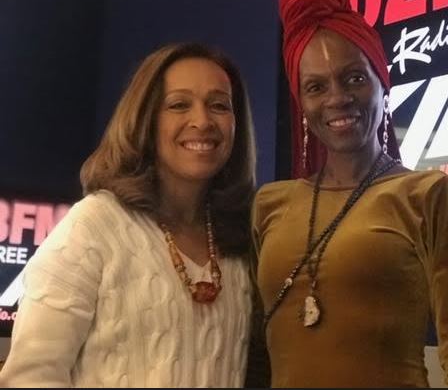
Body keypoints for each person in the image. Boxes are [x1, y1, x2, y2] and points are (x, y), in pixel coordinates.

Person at [251, 0, 448, 388]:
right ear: (301, 103)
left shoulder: (426, 195)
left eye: (354, 78)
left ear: (383, 84)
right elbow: (255, 350)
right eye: (315, 87)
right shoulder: (269, 204)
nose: (337, 98)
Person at [0, 42, 258, 387]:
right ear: (145, 120)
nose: (202, 120)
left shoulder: (243, 240)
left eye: (219, 105)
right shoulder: (94, 225)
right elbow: (29, 376)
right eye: (179, 104)